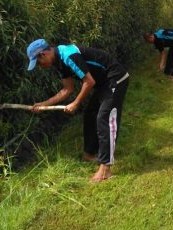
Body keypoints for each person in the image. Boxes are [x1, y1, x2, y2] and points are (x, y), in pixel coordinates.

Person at [26, 38, 130, 183]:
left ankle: (105, 168)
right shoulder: (59, 62)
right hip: (103, 82)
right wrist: (43, 104)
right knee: (90, 115)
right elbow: (67, 89)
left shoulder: (68, 56)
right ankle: (90, 153)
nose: (40, 66)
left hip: (115, 78)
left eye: (38, 62)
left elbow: (89, 82)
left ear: (43, 54)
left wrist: (76, 103)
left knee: (105, 118)